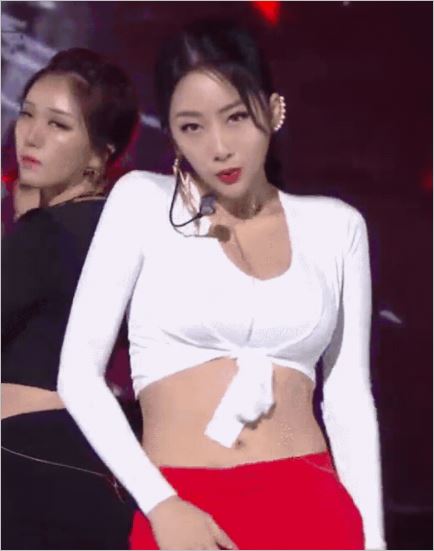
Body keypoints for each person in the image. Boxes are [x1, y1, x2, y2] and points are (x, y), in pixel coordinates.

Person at [58, 20, 385, 550]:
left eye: (235, 117)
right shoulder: (142, 202)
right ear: (170, 132)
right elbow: (77, 375)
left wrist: (374, 543)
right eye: (192, 127)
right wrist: (160, 503)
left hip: (313, 509)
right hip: (185, 509)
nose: (219, 147)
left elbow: (347, 398)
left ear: (272, 109)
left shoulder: (336, 226)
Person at [1, 48, 139, 550]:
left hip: (24, 462)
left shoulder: (48, 232)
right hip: (93, 467)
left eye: (58, 125)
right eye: (27, 114)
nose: (31, 136)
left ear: (100, 154)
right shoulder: (119, 231)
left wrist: (24, 230)